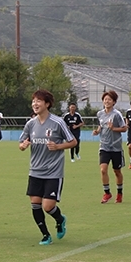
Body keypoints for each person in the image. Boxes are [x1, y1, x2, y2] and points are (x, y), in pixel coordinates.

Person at [19, 90, 76, 245]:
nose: (35, 104)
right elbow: (22, 142)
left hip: (53, 172)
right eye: (33, 101)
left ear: (47, 104)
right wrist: (23, 145)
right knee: (35, 204)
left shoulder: (58, 123)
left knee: (48, 206)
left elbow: (73, 142)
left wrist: (58, 146)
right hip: (35, 171)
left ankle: (60, 219)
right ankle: (45, 235)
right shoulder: (30, 124)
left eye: (39, 101)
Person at [93, 90, 128, 204]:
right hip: (104, 146)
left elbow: (124, 128)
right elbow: (101, 126)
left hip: (116, 147)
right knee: (103, 170)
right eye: (105, 99)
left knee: (117, 171)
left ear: (114, 102)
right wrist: (97, 131)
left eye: (109, 100)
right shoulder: (100, 114)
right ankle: (107, 193)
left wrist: (114, 129)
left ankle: (119, 192)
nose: (107, 101)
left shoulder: (116, 114)